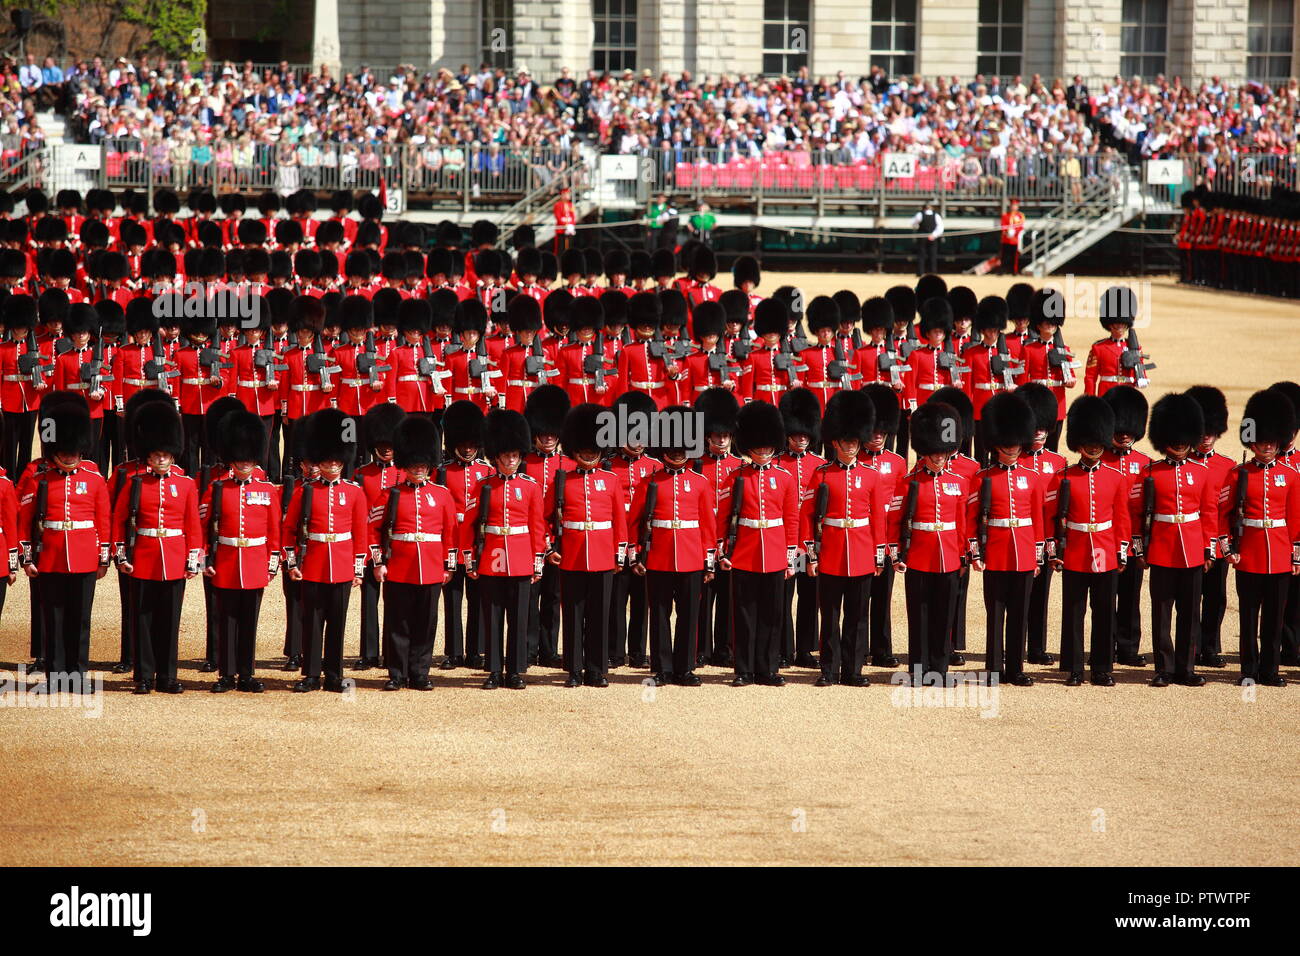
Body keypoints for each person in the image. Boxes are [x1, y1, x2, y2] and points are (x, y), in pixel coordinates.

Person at [19, 397, 111, 690]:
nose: (70, 456)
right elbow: (25, 520)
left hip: (84, 556)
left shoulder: (93, 476)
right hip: (51, 556)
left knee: (80, 619)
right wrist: (26, 557)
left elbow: (103, 520)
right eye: (65, 451)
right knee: (54, 619)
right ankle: (55, 675)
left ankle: (77, 674)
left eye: (74, 451)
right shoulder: (38, 476)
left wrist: (103, 557)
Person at [804, 390, 887, 686]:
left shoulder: (871, 475)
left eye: (854, 441)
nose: (850, 446)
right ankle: (829, 669)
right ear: (835, 441)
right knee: (829, 617)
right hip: (831, 554)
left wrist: (879, 555)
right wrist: (811, 556)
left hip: (862, 553)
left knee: (857, 618)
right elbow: (808, 517)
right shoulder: (821, 474)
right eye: (845, 441)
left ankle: (853, 670)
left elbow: (878, 517)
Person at [282, 409, 368, 692]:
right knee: (312, 622)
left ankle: (333, 674)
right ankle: (310, 674)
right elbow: (289, 531)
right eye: (328, 460)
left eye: (336, 460)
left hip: (342, 565)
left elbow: (360, 533)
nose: (332, 465)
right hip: (313, 564)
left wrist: (357, 569)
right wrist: (292, 563)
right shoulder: (304, 491)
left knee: (337, 624)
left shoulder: (354, 492)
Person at [630, 404, 716, 687]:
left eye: (681, 450)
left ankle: (684, 668)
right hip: (659, 557)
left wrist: (709, 560)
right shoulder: (649, 482)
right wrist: (636, 554)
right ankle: (662, 668)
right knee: (660, 615)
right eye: (673, 450)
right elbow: (635, 521)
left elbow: (707, 524)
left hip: (691, 557)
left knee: (690, 615)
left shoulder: (700, 483)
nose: (678, 455)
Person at [372, 415, 458, 691]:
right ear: (405, 465)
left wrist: (449, 566)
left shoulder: (442, 494)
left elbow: (450, 534)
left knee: (426, 623)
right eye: (414, 464)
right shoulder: (390, 494)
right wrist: (378, 563)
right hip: (399, 566)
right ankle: (396, 672)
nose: (419, 469)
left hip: (432, 566)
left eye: (423, 464)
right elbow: (373, 530)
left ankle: (420, 671)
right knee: (398, 622)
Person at [1139, 392, 1218, 688]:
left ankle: (1186, 668)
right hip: (1161, 550)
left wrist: (1209, 548)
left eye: (1185, 439)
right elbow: (1140, 516)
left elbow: (1209, 513)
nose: (1181, 444)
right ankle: (1164, 668)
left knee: (1189, 613)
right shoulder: (1151, 473)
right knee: (1161, 615)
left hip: (1193, 551)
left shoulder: (1201, 472)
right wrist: (1141, 549)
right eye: (1176, 438)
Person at [967, 393, 1045, 686]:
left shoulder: (1031, 476)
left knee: (1019, 615)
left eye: (1015, 443)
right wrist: (976, 553)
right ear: (996, 445)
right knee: (996, 614)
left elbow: (1036, 517)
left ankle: (1016, 668)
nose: (1012, 448)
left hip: (1024, 551)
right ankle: (994, 669)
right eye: (1007, 443)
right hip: (996, 552)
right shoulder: (982, 477)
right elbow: (971, 519)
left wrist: (1038, 555)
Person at [202, 410, 282, 693]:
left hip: (255, 562)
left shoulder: (267, 490)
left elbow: (274, 531)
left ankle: (246, 674)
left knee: (250, 621)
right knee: (226, 621)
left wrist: (272, 564)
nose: (245, 463)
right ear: (231, 460)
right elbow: (205, 527)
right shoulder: (218, 488)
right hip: (225, 560)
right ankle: (226, 674)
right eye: (240, 459)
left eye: (249, 459)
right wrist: (205, 560)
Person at [720, 401, 798, 686]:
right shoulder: (736, 477)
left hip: (776, 553)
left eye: (767, 446)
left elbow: (791, 519)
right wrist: (723, 551)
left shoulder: (785, 478)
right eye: (758, 446)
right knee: (744, 614)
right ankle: (744, 669)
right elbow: (724, 518)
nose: (764, 451)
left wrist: (790, 556)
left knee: (772, 614)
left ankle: (768, 668)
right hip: (744, 552)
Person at [467, 408, 546, 689]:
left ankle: (514, 670)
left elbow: (537, 527)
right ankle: (494, 671)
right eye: (506, 455)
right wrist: (470, 559)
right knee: (493, 618)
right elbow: (470, 526)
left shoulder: (531, 487)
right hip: (490, 557)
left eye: (515, 455)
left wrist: (538, 560)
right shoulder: (483, 486)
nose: (511, 460)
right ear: (496, 456)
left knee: (518, 618)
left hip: (522, 558)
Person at [549, 402, 627, 687]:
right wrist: (550, 548)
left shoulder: (611, 480)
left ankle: (596, 669)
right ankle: (573, 669)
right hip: (571, 555)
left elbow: (619, 521)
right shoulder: (562, 482)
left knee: (598, 615)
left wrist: (619, 554)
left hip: (603, 556)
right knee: (572, 614)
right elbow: (545, 519)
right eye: (583, 449)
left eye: (593, 449)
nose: (589, 453)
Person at [1227, 389, 1300, 687]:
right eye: (1262, 441)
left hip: (1280, 555)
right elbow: (1225, 515)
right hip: (1249, 554)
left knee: (1273, 619)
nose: (1267, 446)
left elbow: (1295, 519)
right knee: (1248, 618)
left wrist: (1296, 554)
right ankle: (1248, 670)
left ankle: (1270, 670)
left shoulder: (1291, 475)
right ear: (1252, 441)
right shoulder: (1237, 474)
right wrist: (1229, 548)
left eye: (1272, 441)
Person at [606, 389, 661, 667]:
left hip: (643, 541)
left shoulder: (655, 466)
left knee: (641, 600)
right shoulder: (607, 466)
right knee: (616, 599)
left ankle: (638, 651)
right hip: (616, 541)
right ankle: (615, 651)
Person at [1102, 385, 1153, 667]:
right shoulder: (1100, 461)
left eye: (1129, 429)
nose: (1124, 435)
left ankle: (1129, 647)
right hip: (1107, 539)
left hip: (1134, 541)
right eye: (1120, 429)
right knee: (1106, 598)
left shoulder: (1145, 464)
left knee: (1131, 596)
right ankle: (1105, 646)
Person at [522, 384, 573, 667]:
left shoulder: (567, 462)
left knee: (553, 597)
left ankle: (549, 649)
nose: (549, 439)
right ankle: (529, 649)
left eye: (553, 434)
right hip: (529, 539)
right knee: (530, 597)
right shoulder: (524, 463)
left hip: (558, 538)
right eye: (544, 434)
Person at [439, 401, 492, 669]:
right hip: (450, 542)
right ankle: (453, 652)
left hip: (476, 543)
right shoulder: (442, 471)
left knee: (477, 599)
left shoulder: (487, 472)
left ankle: (475, 651)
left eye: (473, 444)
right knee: (452, 599)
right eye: (464, 444)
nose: (469, 449)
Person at [354, 403, 406, 671]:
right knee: (368, 601)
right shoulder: (362, 474)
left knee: (396, 603)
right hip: (369, 543)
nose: (386, 449)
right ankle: (369, 652)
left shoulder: (406, 473)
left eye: (390, 444)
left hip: (397, 545)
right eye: (382, 443)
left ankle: (391, 651)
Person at [692, 387, 741, 667]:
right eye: (717, 435)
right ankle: (701, 648)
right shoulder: (697, 465)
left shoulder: (738, 466)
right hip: (703, 540)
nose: (721, 440)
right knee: (702, 599)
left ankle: (725, 648)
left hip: (730, 541)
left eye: (725, 435)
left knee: (728, 600)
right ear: (708, 435)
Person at [1186, 385, 1234, 669]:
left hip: (1217, 543)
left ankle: (1211, 646)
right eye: (1202, 431)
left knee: (1216, 598)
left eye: (1211, 432)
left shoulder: (1228, 467)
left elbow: (1230, 513)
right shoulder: (1184, 464)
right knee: (1190, 600)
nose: (1206, 438)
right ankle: (1190, 646)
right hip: (1191, 543)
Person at [777, 387, 825, 668]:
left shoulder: (819, 465)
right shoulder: (777, 463)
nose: (802, 439)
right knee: (783, 598)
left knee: (809, 598)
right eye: (797, 434)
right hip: (784, 539)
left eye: (806, 435)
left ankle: (805, 649)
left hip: (810, 541)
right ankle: (784, 648)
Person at [1085, 286, 1152, 396]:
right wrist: (1090, 401)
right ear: (1109, 324)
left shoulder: (1134, 347)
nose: (1120, 325)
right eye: (1116, 322)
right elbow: (1090, 378)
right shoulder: (1098, 348)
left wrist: (1141, 379)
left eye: (1123, 322)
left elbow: (1140, 373)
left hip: (1128, 395)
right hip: (1106, 394)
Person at [911, 200, 943, 275]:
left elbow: (913, 224)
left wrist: (917, 227)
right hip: (932, 238)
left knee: (921, 255)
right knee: (932, 256)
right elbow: (940, 227)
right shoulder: (936, 215)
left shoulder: (920, 214)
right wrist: (934, 235)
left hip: (922, 237)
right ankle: (933, 273)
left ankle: (920, 272)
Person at [999, 198, 1025, 274]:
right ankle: (1002, 270)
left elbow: (1021, 226)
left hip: (1015, 240)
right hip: (1006, 239)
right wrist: (1007, 232)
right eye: (1012, 205)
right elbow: (1003, 226)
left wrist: (1014, 232)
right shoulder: (1005, 216)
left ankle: (1014, 271)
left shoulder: (1020, 216)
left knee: (1014, 257)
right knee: (1004, 255)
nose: (1014, 207)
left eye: (1015, 205)